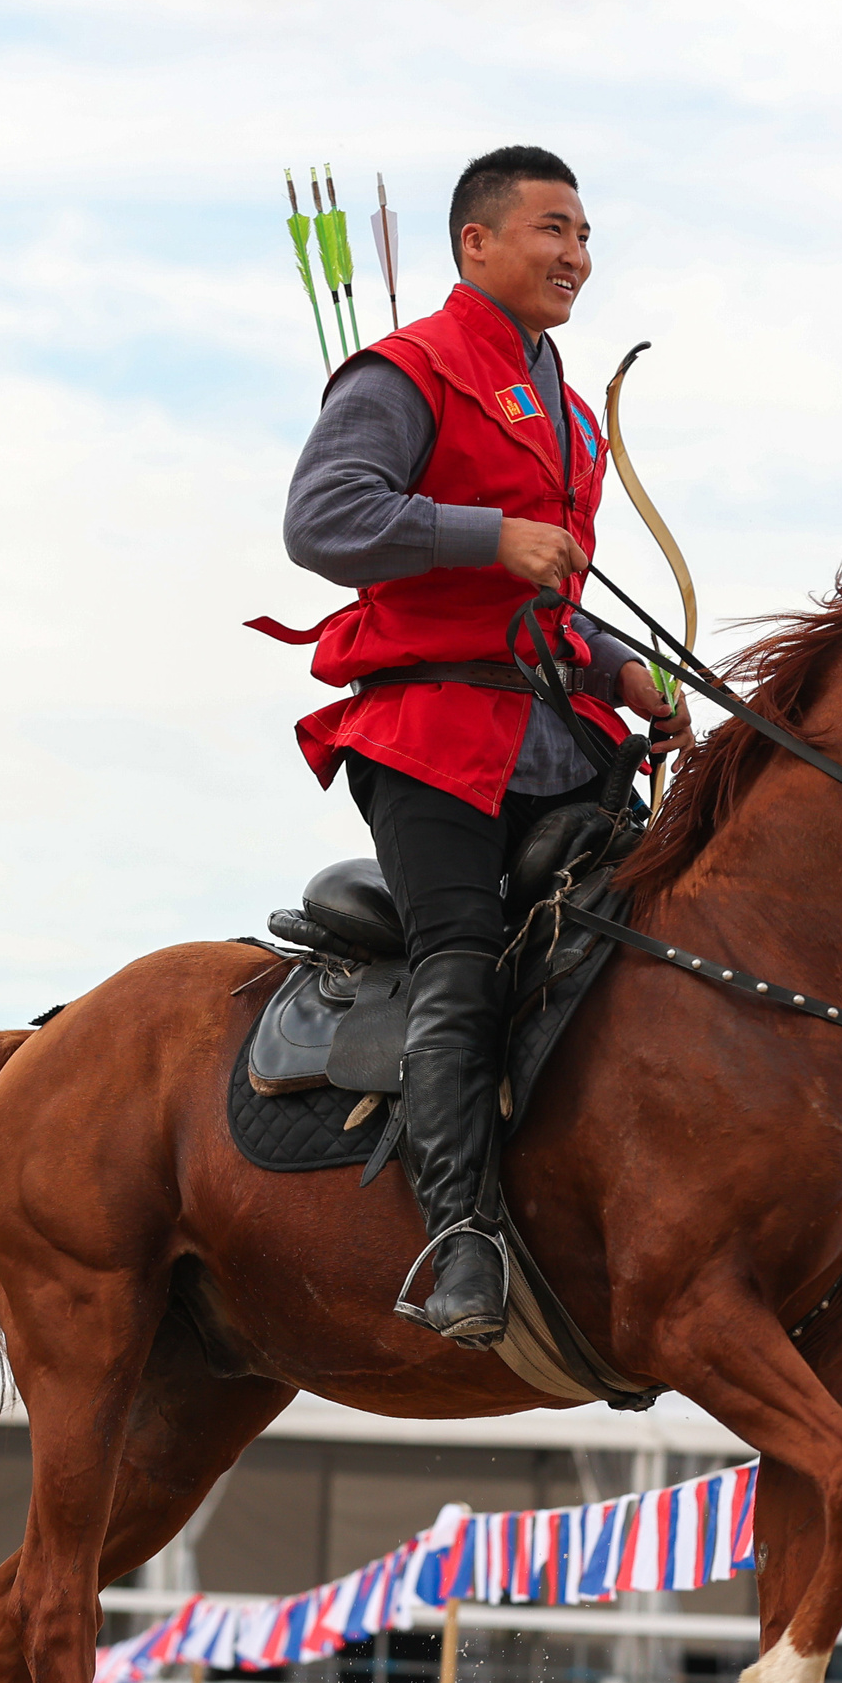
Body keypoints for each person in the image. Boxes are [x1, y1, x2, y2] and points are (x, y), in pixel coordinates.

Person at [280, 145, 692, 1349]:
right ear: (477, 244)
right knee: (460, 954)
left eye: (585, 236)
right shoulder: (404, 370)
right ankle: (458, 1231)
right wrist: (486, 536)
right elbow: (321, 518)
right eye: (552, 229)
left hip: (558, 732)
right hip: (429, 730)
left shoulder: (567, 410)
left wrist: (623, 668)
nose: (576, 255)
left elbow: (551, 598)